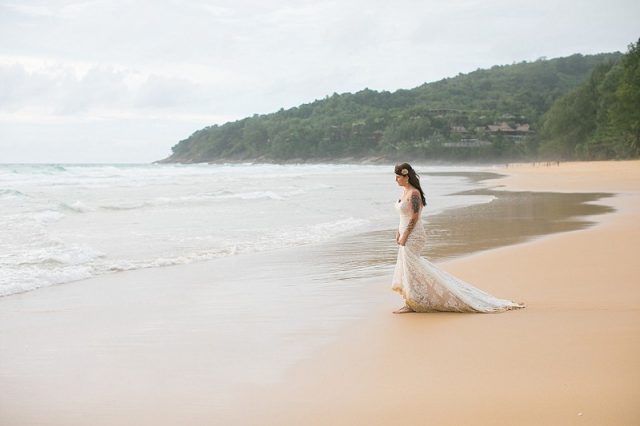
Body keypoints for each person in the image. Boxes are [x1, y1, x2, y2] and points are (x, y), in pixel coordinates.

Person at [391, 163, 525, 314]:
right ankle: (413, 300)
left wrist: (405, 235)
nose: (396, 179)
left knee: (412, 268)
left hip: (414, 235)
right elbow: (404, 215)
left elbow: (415, 217)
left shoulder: (414, 194)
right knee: (410, 268)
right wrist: (398, 232)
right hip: (405, 233)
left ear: (406, 177)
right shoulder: (404, 193)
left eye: (398, 176)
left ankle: (412, 303)